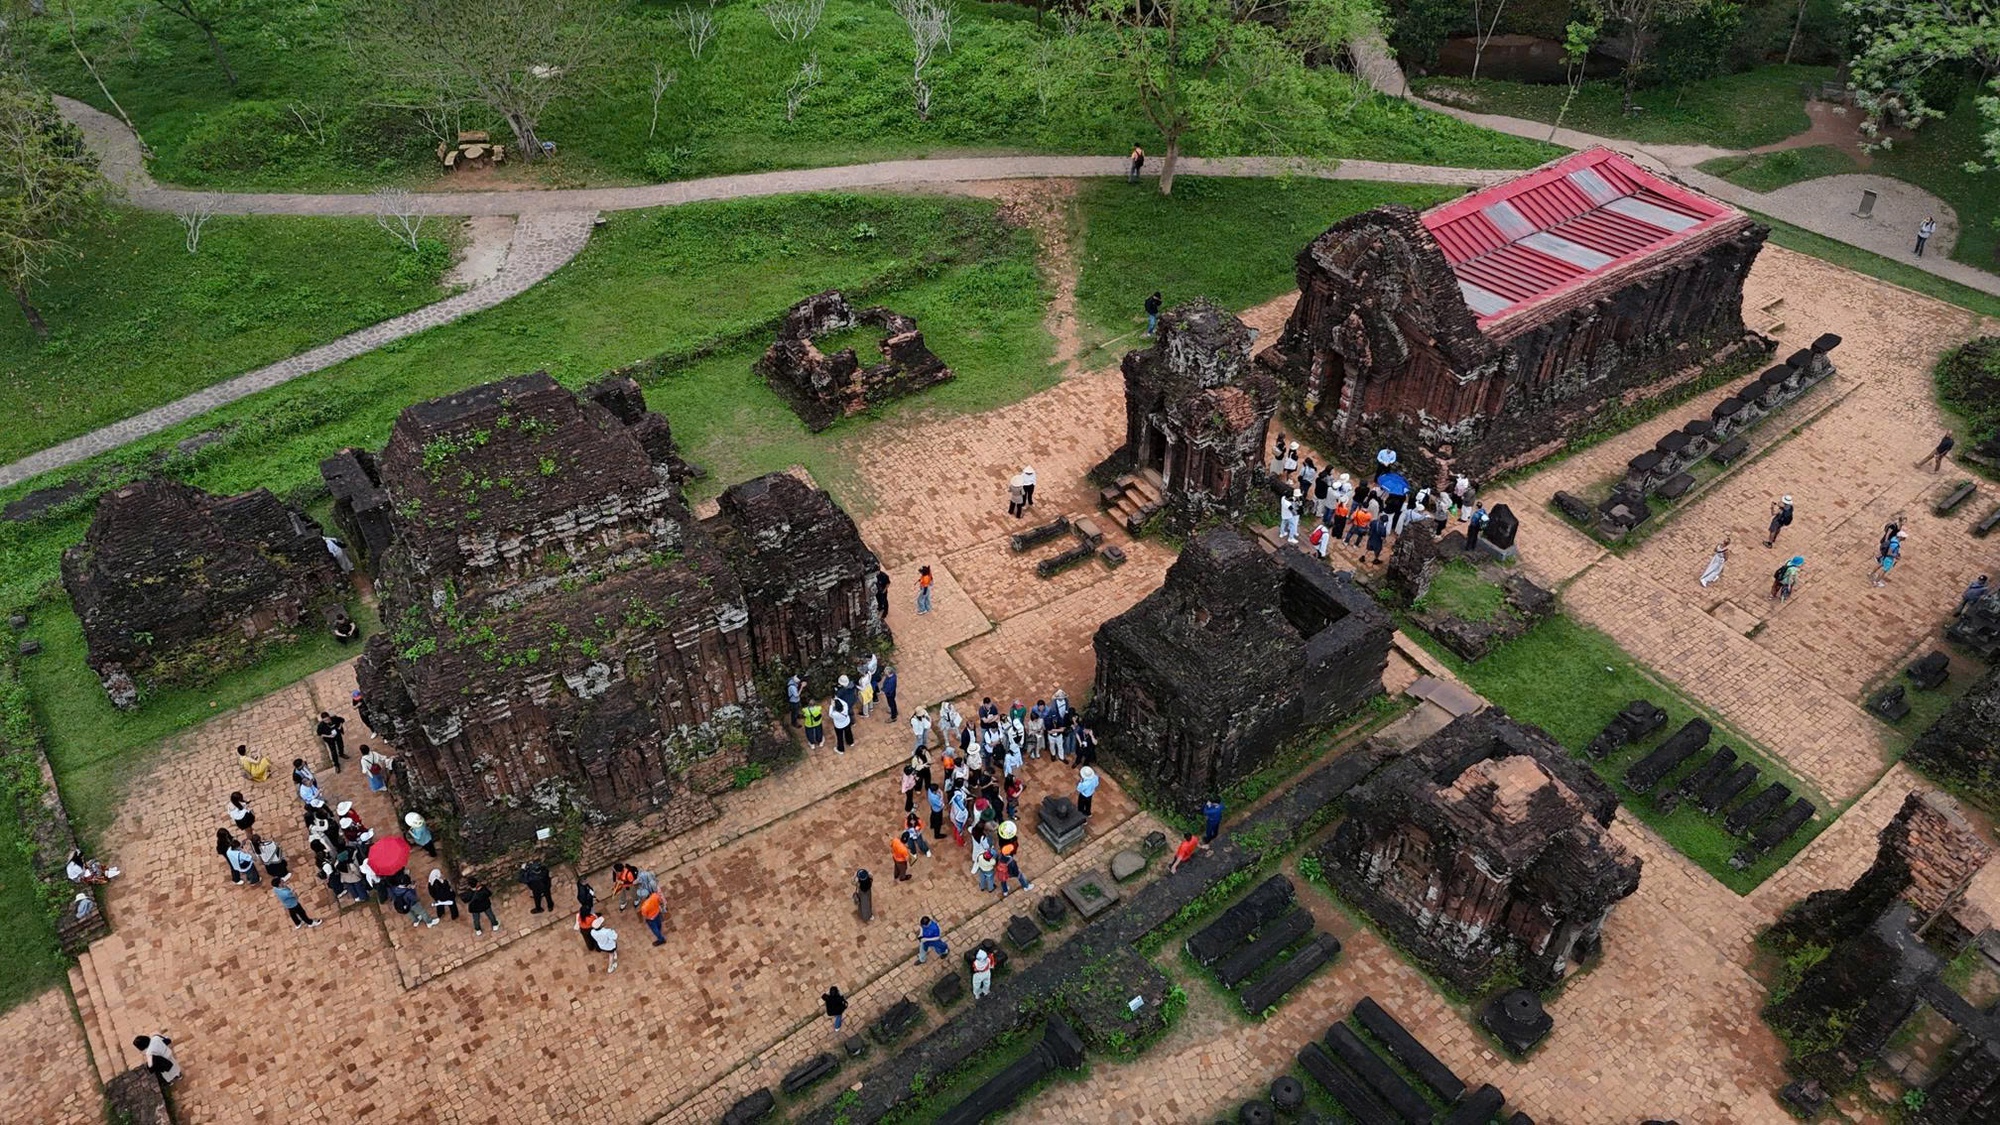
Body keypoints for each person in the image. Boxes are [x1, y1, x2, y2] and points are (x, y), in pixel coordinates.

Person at [829, 690, 853, 755]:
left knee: (840, 737)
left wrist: (832, 705)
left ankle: (841, 749)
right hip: (847, 722)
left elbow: (830, 714)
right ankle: (850, 742)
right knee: (848, 732)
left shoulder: (834, 714)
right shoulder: (845, 706)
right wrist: (837, 699)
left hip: (839, 726)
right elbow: (843, 702)